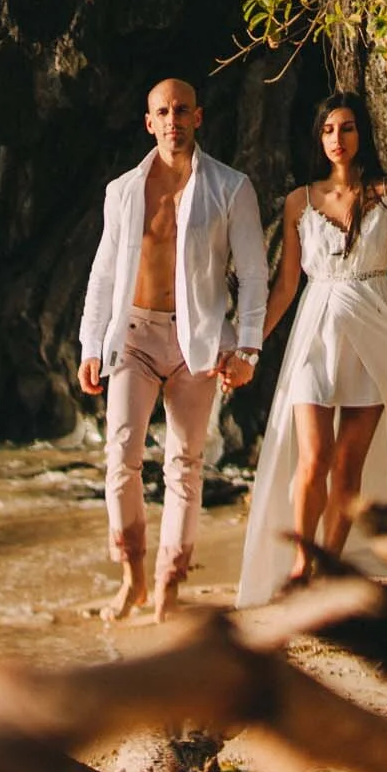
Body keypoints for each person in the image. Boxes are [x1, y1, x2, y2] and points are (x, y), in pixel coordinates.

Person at [235, 90, 387, 607]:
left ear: (363, 134)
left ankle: (328, 567)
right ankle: (300, 562)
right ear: (319, 137)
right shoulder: (299, 201)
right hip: (316, 331)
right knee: (313, 459)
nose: (339, 138)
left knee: (349, 465)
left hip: (375, 328)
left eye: (348, 127)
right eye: (330, 129)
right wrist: (250, 348)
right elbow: (287, 286)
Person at [79, 77, 268, 622]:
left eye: (182, 110)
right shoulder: (122, 190)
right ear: (149, 122)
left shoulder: (231, 188)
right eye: (162, 111)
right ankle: (132, 576)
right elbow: (103, 273)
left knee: (185, 465)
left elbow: (254, 275)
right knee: (121, 459)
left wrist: (248, 350)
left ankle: (168, 585)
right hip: (133, 337)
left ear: (198, 117)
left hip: (199, 340)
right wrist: (92, 344)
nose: (172, 120)